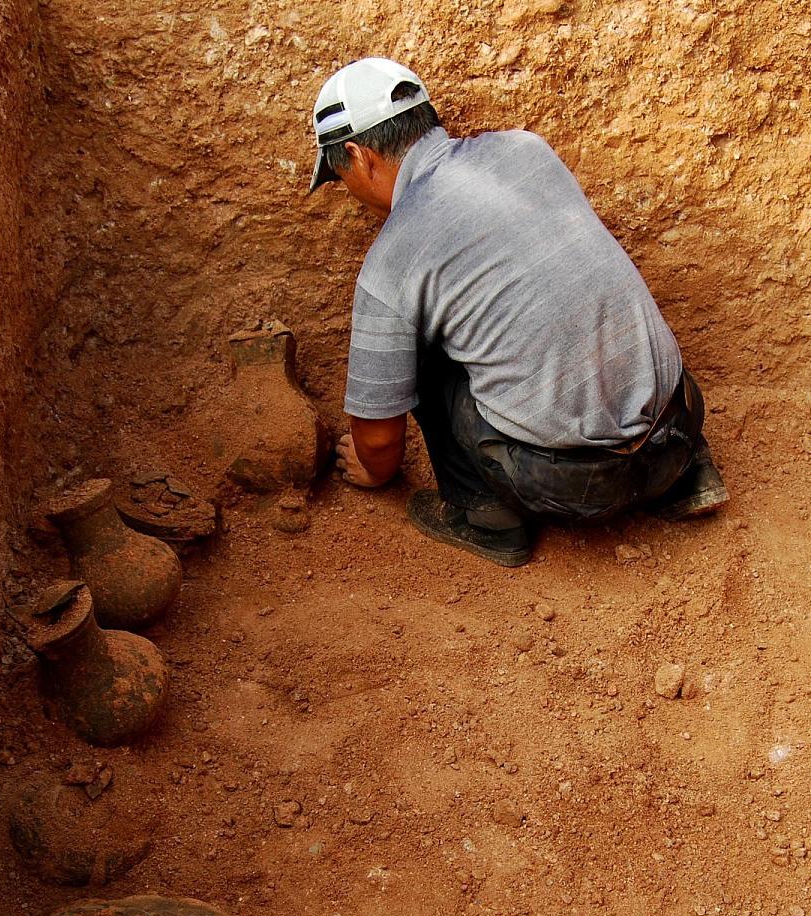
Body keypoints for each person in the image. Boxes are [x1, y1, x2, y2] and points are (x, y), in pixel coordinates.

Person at [308, 57, 728, 567]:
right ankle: (689, 480)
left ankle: (486, 520)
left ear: (359, 155)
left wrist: (376, 472)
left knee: (420, 351)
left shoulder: (390, 264)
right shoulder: (528, 150)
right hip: (679, 427)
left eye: (338, 174)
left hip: (573, 488)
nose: (348, 191)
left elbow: (378, 439)